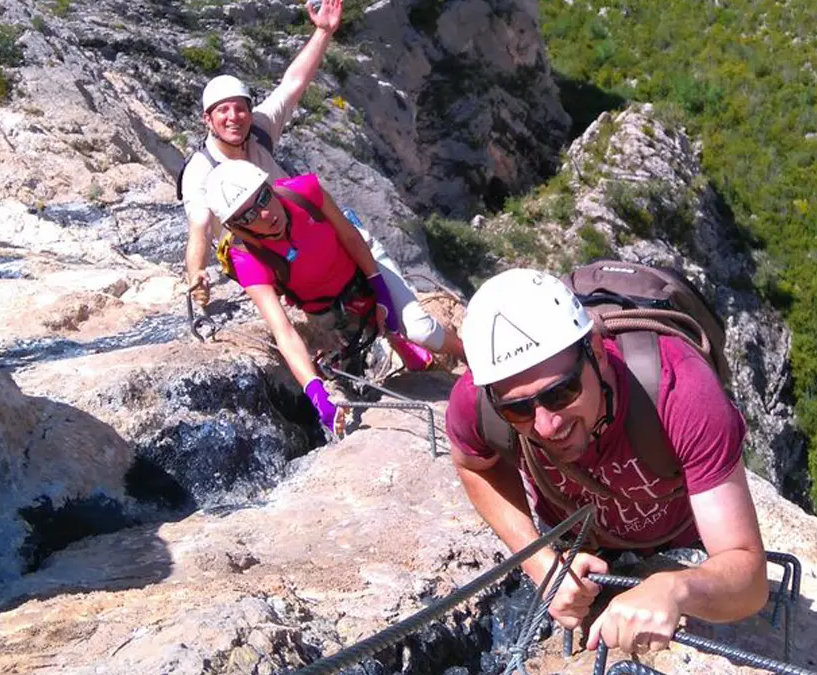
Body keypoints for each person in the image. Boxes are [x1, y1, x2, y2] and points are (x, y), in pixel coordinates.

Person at [445, 269, 768, 654]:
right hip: (581, 543)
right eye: (518, 410)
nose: (547, 425)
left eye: (561, 391)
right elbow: (474, 465)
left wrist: (675, 587)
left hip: (681, 536)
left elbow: (749, 578)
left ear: (596, 352)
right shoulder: (481, 400)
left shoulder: (678, 390)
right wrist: (543, 565)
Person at [203, 160, 464, 433]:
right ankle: (395, 337)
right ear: (236, 226)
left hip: (363, 262)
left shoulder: (303, 192)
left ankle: (466, 354)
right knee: (348, 360)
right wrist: (316, 394)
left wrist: (382, 294)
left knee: (422, 331)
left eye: (263, 198)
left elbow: (351, 238)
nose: (264, 215)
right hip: (324, 302)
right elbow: (283, 331)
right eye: (247, 217)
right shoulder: (247, 258)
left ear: (269, 186)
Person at [182, 0, 344, 308]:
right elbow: (199, 225)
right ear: (208, 119)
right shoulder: (201, 169)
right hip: (264, 256)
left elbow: (292, 84)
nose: (234, 117)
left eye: (240, 108)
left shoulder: (258, 127)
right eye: (223, 111)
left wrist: (323, 32)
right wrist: (197, 271)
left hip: (300, 230)